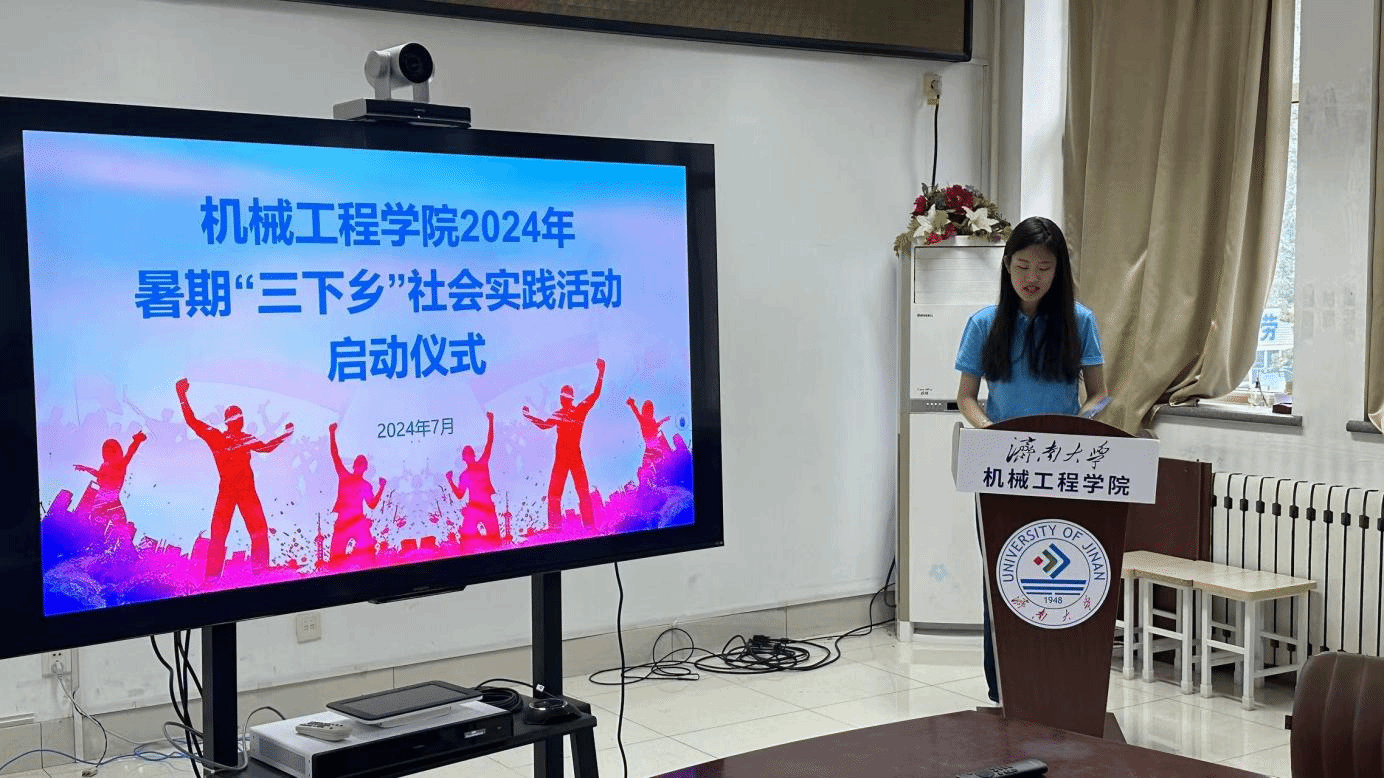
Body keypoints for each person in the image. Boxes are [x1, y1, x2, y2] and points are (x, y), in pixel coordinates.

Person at [954, 216, 1108, 704]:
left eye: (1043, 267)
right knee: (1003, 573)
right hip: (1001, 466)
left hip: (1062, 467)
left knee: (1060, 572)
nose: (1032, 277)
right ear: (1007, 266)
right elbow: (966, 397)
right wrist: (992, 433)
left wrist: (1078, 425)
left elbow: (1100, 394)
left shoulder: (1080, 321)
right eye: (1022, 266)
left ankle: (1058, 680)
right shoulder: (984, 323)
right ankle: (1002, 687)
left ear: (1059, 270)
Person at [177, 378, 294, 579]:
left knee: (238, 533)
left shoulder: (227, 437)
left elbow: (265, 448)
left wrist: (181, 396)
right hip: (234, 490)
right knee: (233, 533)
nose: (240, 421)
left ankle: (228, 575)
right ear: (235, 421)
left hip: (237, 490)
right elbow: (192, 421)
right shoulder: (222, 437)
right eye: (238, 417)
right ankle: (225, 576)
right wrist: (181, 396)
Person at [523, 358, 605, 531]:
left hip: (566, 456)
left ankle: (560, 526)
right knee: (579, 492)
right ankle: (587, 526)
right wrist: (601, 373)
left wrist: (529, 416)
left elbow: (544, 425)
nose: (562, 399)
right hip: (571, 455)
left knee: (558, 493)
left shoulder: (566, 413)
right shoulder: (576, 411)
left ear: (563, 398)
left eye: (562, 396)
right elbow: (595, 394)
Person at [328, 422, 386, 565]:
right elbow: (335, 455)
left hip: (358, 521)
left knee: (369, 555)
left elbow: (371, 505)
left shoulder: (365, 485)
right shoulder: (344, 476)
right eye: (359, 463)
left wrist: (381, 488)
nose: (360, 466)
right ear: (354, 465)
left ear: (365, 467)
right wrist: (332, 433)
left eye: (363, 464)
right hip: (343, 521)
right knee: (335, 560)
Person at [445, 411, 500, 540]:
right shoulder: (464, 475)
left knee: (495, 540)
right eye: (466, 454)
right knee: (467, 538)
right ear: (464, 458)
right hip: (474, 507)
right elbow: (460, 495)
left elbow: (489, 443)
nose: (469, 455)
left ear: (473, 455)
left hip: (487, 506)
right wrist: (450, 481)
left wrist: (491, 421)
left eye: (470, 453)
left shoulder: (482, 464)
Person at [73, 431, 147, 526]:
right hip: (105, 497)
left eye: (111, 451)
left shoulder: (119, 464)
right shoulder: (107, 465)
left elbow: (130, 453)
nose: (109, 454)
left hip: (110, 498)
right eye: (107, 452)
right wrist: (85, 468)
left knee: (119, 524)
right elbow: (99, 474)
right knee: (112, 523)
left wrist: (137, 441)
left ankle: (98, 527)